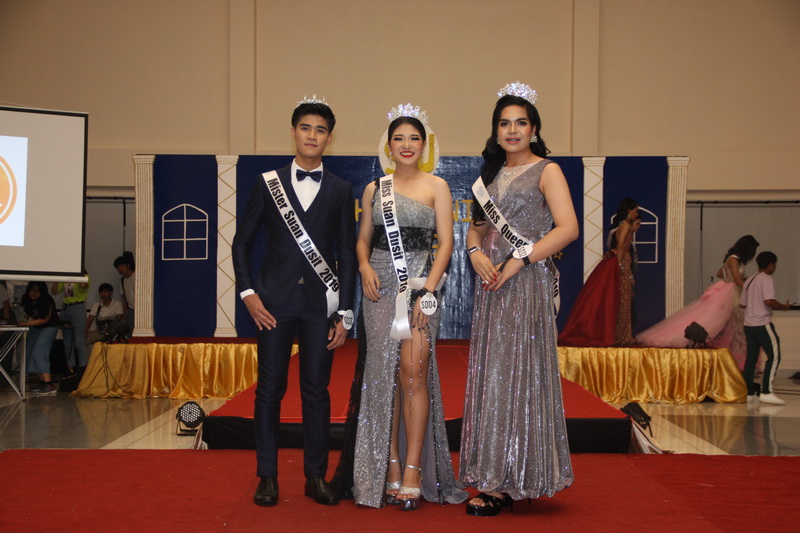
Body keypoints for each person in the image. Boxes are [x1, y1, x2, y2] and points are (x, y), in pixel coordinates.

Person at [232, 95, 356, 508]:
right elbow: (242, 242)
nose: (312, 136)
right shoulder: (267, 183)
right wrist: (248, 293)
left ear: (329, 138)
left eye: (320, 130)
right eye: (306, 128)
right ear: (293, 133)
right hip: (272, 304)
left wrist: (346, 312)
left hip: (321, 306)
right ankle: (267, 476)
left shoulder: (340, 190)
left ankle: (315, 478)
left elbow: (346, 254)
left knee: (316, 393)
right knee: (269, 391)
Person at [460, 83, 577, 516]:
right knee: (493, 374)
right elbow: (475, 228)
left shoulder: (548, 170)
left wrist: (520, 259)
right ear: (495, 131)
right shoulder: (488, 176)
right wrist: (474, 253)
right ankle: (493, 473)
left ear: (534, 129)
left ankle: (515, 476)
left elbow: (567, 228)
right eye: (504, 123)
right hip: (492, 283)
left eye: (520, 123)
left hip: (526, 283)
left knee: (520, 372)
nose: (512, 130)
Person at [350, 106, 466, 510]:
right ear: (388, 146)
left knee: (413, 372)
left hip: (419, 288)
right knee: (385, 375)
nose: (406, 144)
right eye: (398, 138)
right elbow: (363, 239)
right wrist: (364, 266)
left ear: (424, 145)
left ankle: (414, 469)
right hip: (379, 289)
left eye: (413, 138)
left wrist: (427, 291)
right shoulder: (374, 189)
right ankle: (391, 466)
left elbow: (447, 244)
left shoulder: (437, 186)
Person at [636, 235, 759, 363]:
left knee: (731, 325)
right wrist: (752, 287)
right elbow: (737, 280)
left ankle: (735, 354)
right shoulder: (734, 260)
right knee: (736, 325)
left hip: (730, 291)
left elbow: (720, 273)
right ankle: (738, 356)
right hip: (733, 294)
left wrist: (730, 279)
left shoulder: (732, 259)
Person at [558, 202, 640, 347]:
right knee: (623, 300)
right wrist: (620, 265)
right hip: (621, 263)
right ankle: (622, 336)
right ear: (629, 210)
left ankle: (619, 335)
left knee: (618, 299)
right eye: (635, 210)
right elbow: (621, 245)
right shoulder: (626, 224)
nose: (636, 214)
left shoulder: (620, 225)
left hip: (618, 262)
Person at [740, 251, 790, 405]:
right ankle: (767, 392)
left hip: (748, 325)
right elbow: (768, 301)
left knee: (751, 359)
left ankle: (749, 393)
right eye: (774, 264)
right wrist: (784, 307)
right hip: (762, 324)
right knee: (774, 356)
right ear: (771, 265)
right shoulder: (766, 279)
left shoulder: (749, 280)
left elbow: (742, 303)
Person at [19, 281, 60, 396]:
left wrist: (27, 323)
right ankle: (42, 382)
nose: (34, 293)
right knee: (28, 351)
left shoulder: (47, 300)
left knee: (39, 352)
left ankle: (49, 384)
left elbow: (45, 319)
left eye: (37, 290)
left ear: (42, 291)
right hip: (36, 326)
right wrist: (24, 321)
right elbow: (28, 313)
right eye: (32, 290)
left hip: (49, 326)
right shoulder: (26, 299)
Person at [51, 275, 90, 371]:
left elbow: (83, 285)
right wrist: (58, 278)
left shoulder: (84, 276)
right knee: (67, 342)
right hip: (65, 308)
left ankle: (82, 370)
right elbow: (54, 291)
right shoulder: (65, 277)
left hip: (78, 308)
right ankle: (70, 369)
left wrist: (78, 274)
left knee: (79, 341)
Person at [114, 252, 136, 331]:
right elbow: (123, 296)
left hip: (141, 310)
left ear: (128, 265)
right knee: (130, 333)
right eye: (118, 267)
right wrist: (126, 312)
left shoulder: (137, 277)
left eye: (122, 266)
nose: (120, 269)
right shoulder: (123, 280)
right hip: (130, 310)